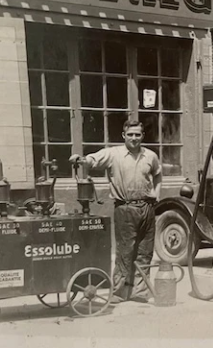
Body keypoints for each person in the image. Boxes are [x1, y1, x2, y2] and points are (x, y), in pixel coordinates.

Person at [69, 120, 162, 304]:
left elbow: (158, 174)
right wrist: (80, 159)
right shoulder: (114, 154)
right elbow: (92, 160)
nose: (134, 138)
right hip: (125, 208)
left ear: (142, 136)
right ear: (123, 136)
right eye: (130, 134)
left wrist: (156, 194)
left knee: (145, 252)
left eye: (137, 134)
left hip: (147, 208)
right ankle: (118, 292)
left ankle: (140, 292)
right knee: (124, 252)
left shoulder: (150, 156)